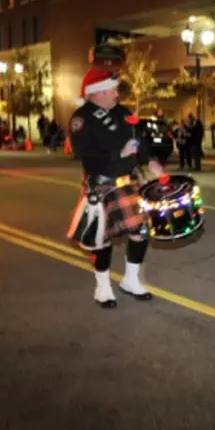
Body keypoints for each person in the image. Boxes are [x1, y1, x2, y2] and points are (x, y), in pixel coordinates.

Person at [66, 69, 166, 308]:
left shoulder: (122, 113)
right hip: (101, 183)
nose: (116, 93)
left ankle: (131, 280)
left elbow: (139, 139)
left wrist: (151, 160)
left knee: (141, 230)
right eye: (112, 89)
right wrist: (118, 154)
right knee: (102, 238)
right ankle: (102, 287)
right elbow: (84, 155)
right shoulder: (82, 118)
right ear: (97, 92)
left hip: (127, 182)